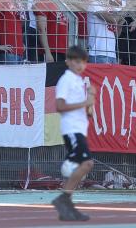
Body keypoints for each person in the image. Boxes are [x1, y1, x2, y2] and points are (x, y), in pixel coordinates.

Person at [52, 45, 95, 222]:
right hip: (71, 129)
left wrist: (90, 103)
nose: (79, 65)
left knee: (84, 165)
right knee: (86, 164)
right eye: (76, 61)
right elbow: (60, 106)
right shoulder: (66, 80)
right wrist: (85, 102)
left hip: (79, 128)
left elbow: (87, 112)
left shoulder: (79, 81)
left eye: (83, 62)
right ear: (68, 61)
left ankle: (66, 203)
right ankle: (64, 199)